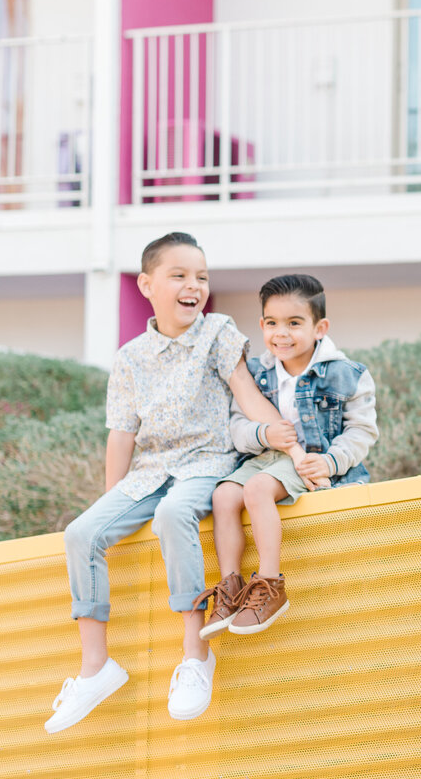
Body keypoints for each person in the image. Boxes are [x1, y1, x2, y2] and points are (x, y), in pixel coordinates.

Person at [45, 233, 293, 734]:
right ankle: (96, 667)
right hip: (149, 473)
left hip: (205, 463)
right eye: (179, 275)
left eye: (201, 277)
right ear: (146, 284)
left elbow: (246, 394)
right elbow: (122, 434)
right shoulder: (130, 357)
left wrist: (290, 447)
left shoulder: (218, 331)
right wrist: (110, 498)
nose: (193, 286)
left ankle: (195, 656)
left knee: (174, 515)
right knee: (81, 533)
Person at [195, 273, 378, 640]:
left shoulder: (347, 375)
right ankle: (231, 587)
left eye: (295, 323)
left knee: (258, 490)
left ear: (319, 327)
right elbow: (237, 427)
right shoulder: (258, 373)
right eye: (273, 323)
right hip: (264, 457)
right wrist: (264, 433)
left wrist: (330, 461)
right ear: (262, 325)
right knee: (224, 495)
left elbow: (362, 432)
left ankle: (270, 584)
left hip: (312, 462)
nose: (282, 333)